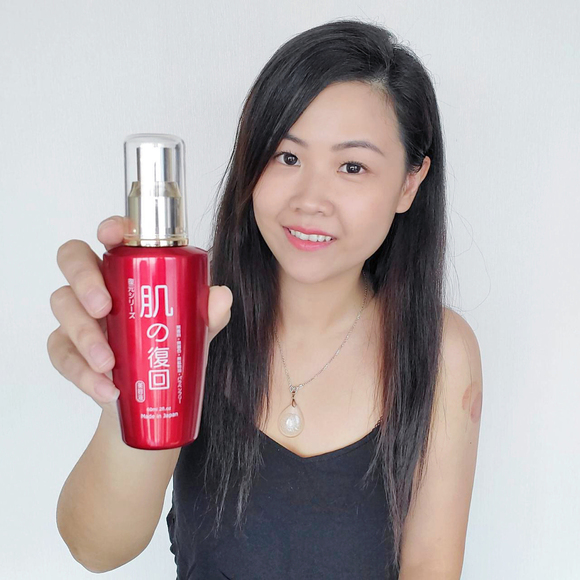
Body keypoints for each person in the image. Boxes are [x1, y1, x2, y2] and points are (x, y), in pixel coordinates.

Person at [48, 18, 483, 579]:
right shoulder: (190, 322)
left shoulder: (439, 350)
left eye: (352, 166)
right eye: (287, 157)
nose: (310, 200)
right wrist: (128, 390)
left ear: (409, 182)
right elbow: (97, 550)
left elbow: (430, 567)